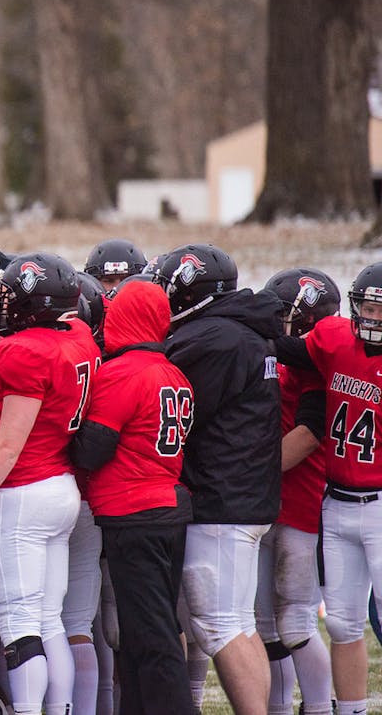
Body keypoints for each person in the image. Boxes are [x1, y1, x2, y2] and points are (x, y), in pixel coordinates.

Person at [0, 252, 99, 715]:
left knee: (18, 623)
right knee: (48, 618)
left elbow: (8, 444)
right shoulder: (79, 336)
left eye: (12, 297)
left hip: (19, 494)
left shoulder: (25, 351)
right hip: (58, 485)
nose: (2, 303)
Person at [153, 244, 281, 715]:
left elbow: (175, 408)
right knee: (237, 622)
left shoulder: (215, 339)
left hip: (223, 497)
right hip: (244, 492)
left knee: (220, 623)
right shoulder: (239, 331)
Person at [69, 280, 194, 715]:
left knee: (153, 636)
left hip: (135, 512)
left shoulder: (122, 373)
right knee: (144, 635)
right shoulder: (173, 372)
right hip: (166, 508)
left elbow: (93, 448)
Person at [272, 261, 382, 715]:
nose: (374, 320)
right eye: (369, 309)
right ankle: (349, 708)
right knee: (340, 623)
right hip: (336, 502)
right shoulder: (335, 340)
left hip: (380, 504)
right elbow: (285, 348)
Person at [256, 268, 337, 715]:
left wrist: (251, 473)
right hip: (267, 502)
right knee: (265, 624)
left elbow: (308, 434)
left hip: (298, 504)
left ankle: (322, 707)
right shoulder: (286, 357)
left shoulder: (321, 362)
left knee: (296, 621)